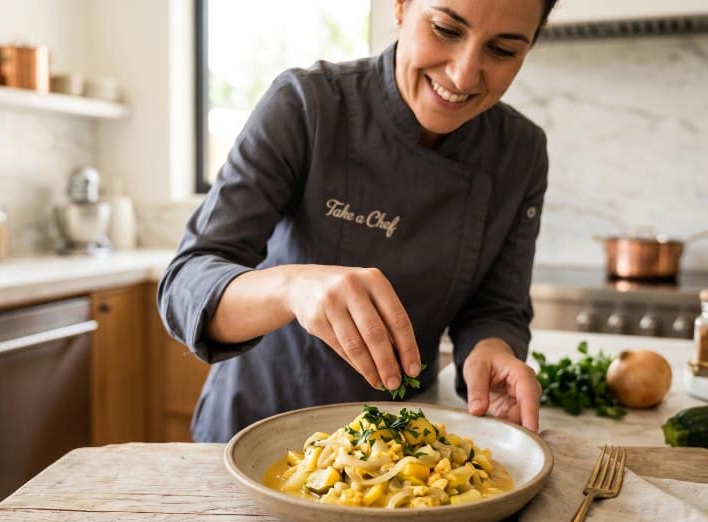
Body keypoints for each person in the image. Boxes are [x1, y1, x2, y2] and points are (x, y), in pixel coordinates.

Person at [158, 0, 558, 443]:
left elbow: (496, 308)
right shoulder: (308, 104)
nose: (463, 75)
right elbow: (186, 282)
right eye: (446, 29)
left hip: (398, 447)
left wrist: (492, 350)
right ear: (402, 7)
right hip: (254, 433)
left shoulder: (520, 152)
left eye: (502, 51)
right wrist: (292, 286)